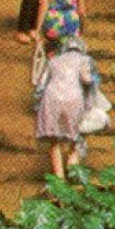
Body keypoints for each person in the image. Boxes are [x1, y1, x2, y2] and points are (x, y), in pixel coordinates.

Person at [34, 35, 100, 180]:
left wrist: (37, 105)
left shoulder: (53, 61)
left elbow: (40, 86)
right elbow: (87, 79)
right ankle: (73, 169)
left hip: (51, 99)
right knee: (74, 136)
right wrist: (95, 81)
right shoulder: (85, 60)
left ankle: (59, 179)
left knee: (54, 140)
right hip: (73, 99)